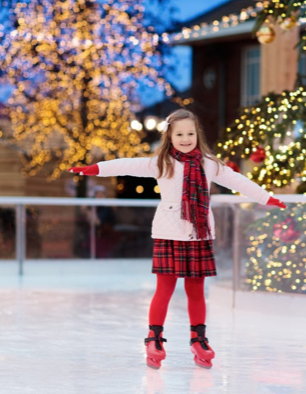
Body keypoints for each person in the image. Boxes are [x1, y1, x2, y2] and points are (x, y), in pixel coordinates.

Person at [69, 109, 285, 369]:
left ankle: (199, 339)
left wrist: (266, 197)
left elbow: (237, 180)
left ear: (198, 135)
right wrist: (94, 169)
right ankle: (154, 338)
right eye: (179, 134)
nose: (185, 138)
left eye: (190, 133)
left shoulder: (208, 163)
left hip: (198, 233)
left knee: (196, 291)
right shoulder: (161, 162)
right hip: (169, 232)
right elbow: (126, 164)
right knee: (165, 289)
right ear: (169, 136)